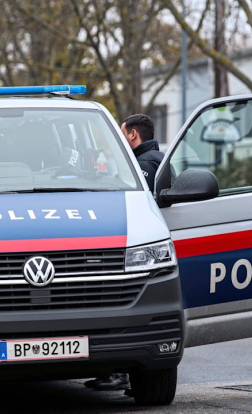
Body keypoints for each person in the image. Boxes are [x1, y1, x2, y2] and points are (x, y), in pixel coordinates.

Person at [85, 114, 163, 392]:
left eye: (121, 134)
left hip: (143, 250)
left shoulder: (143, 165)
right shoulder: (155, 159)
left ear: (132, 135)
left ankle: (121, 372)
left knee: (123, 303)